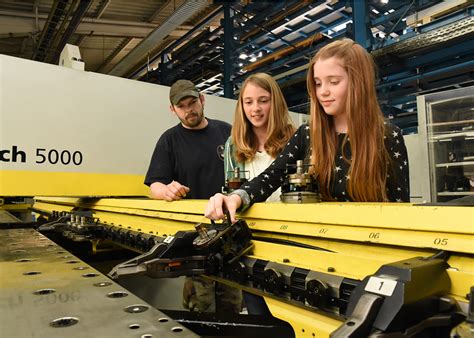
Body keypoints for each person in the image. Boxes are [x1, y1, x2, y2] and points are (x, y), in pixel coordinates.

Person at [205, 38, 410, 224]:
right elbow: (271, 177)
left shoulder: (387, 136)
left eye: (334, 82)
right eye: (318, 83)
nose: (323, 92)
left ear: (359, 83)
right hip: (319, 242)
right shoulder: (307, 134)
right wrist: (236, 197)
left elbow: (401, 209)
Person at [144, 79, 241, 313]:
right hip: (196, 239)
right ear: (173, 109)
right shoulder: (169, 140)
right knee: (201, 307)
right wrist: (165, 191)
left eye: (193, 102)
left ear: (202, 100)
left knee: (234, 305)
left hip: (230, 234)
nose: (189, 110)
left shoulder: (226, 132)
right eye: (182, 106)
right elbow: (154, 185)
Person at [224, 72, 295, 314]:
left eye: (263, 100)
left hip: (290, 240)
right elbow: (231, 190)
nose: (255, 108)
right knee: (259, 315)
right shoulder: (233, 145)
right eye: (248, 101)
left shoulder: (295, 140)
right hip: (251, 243)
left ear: (275, 102)